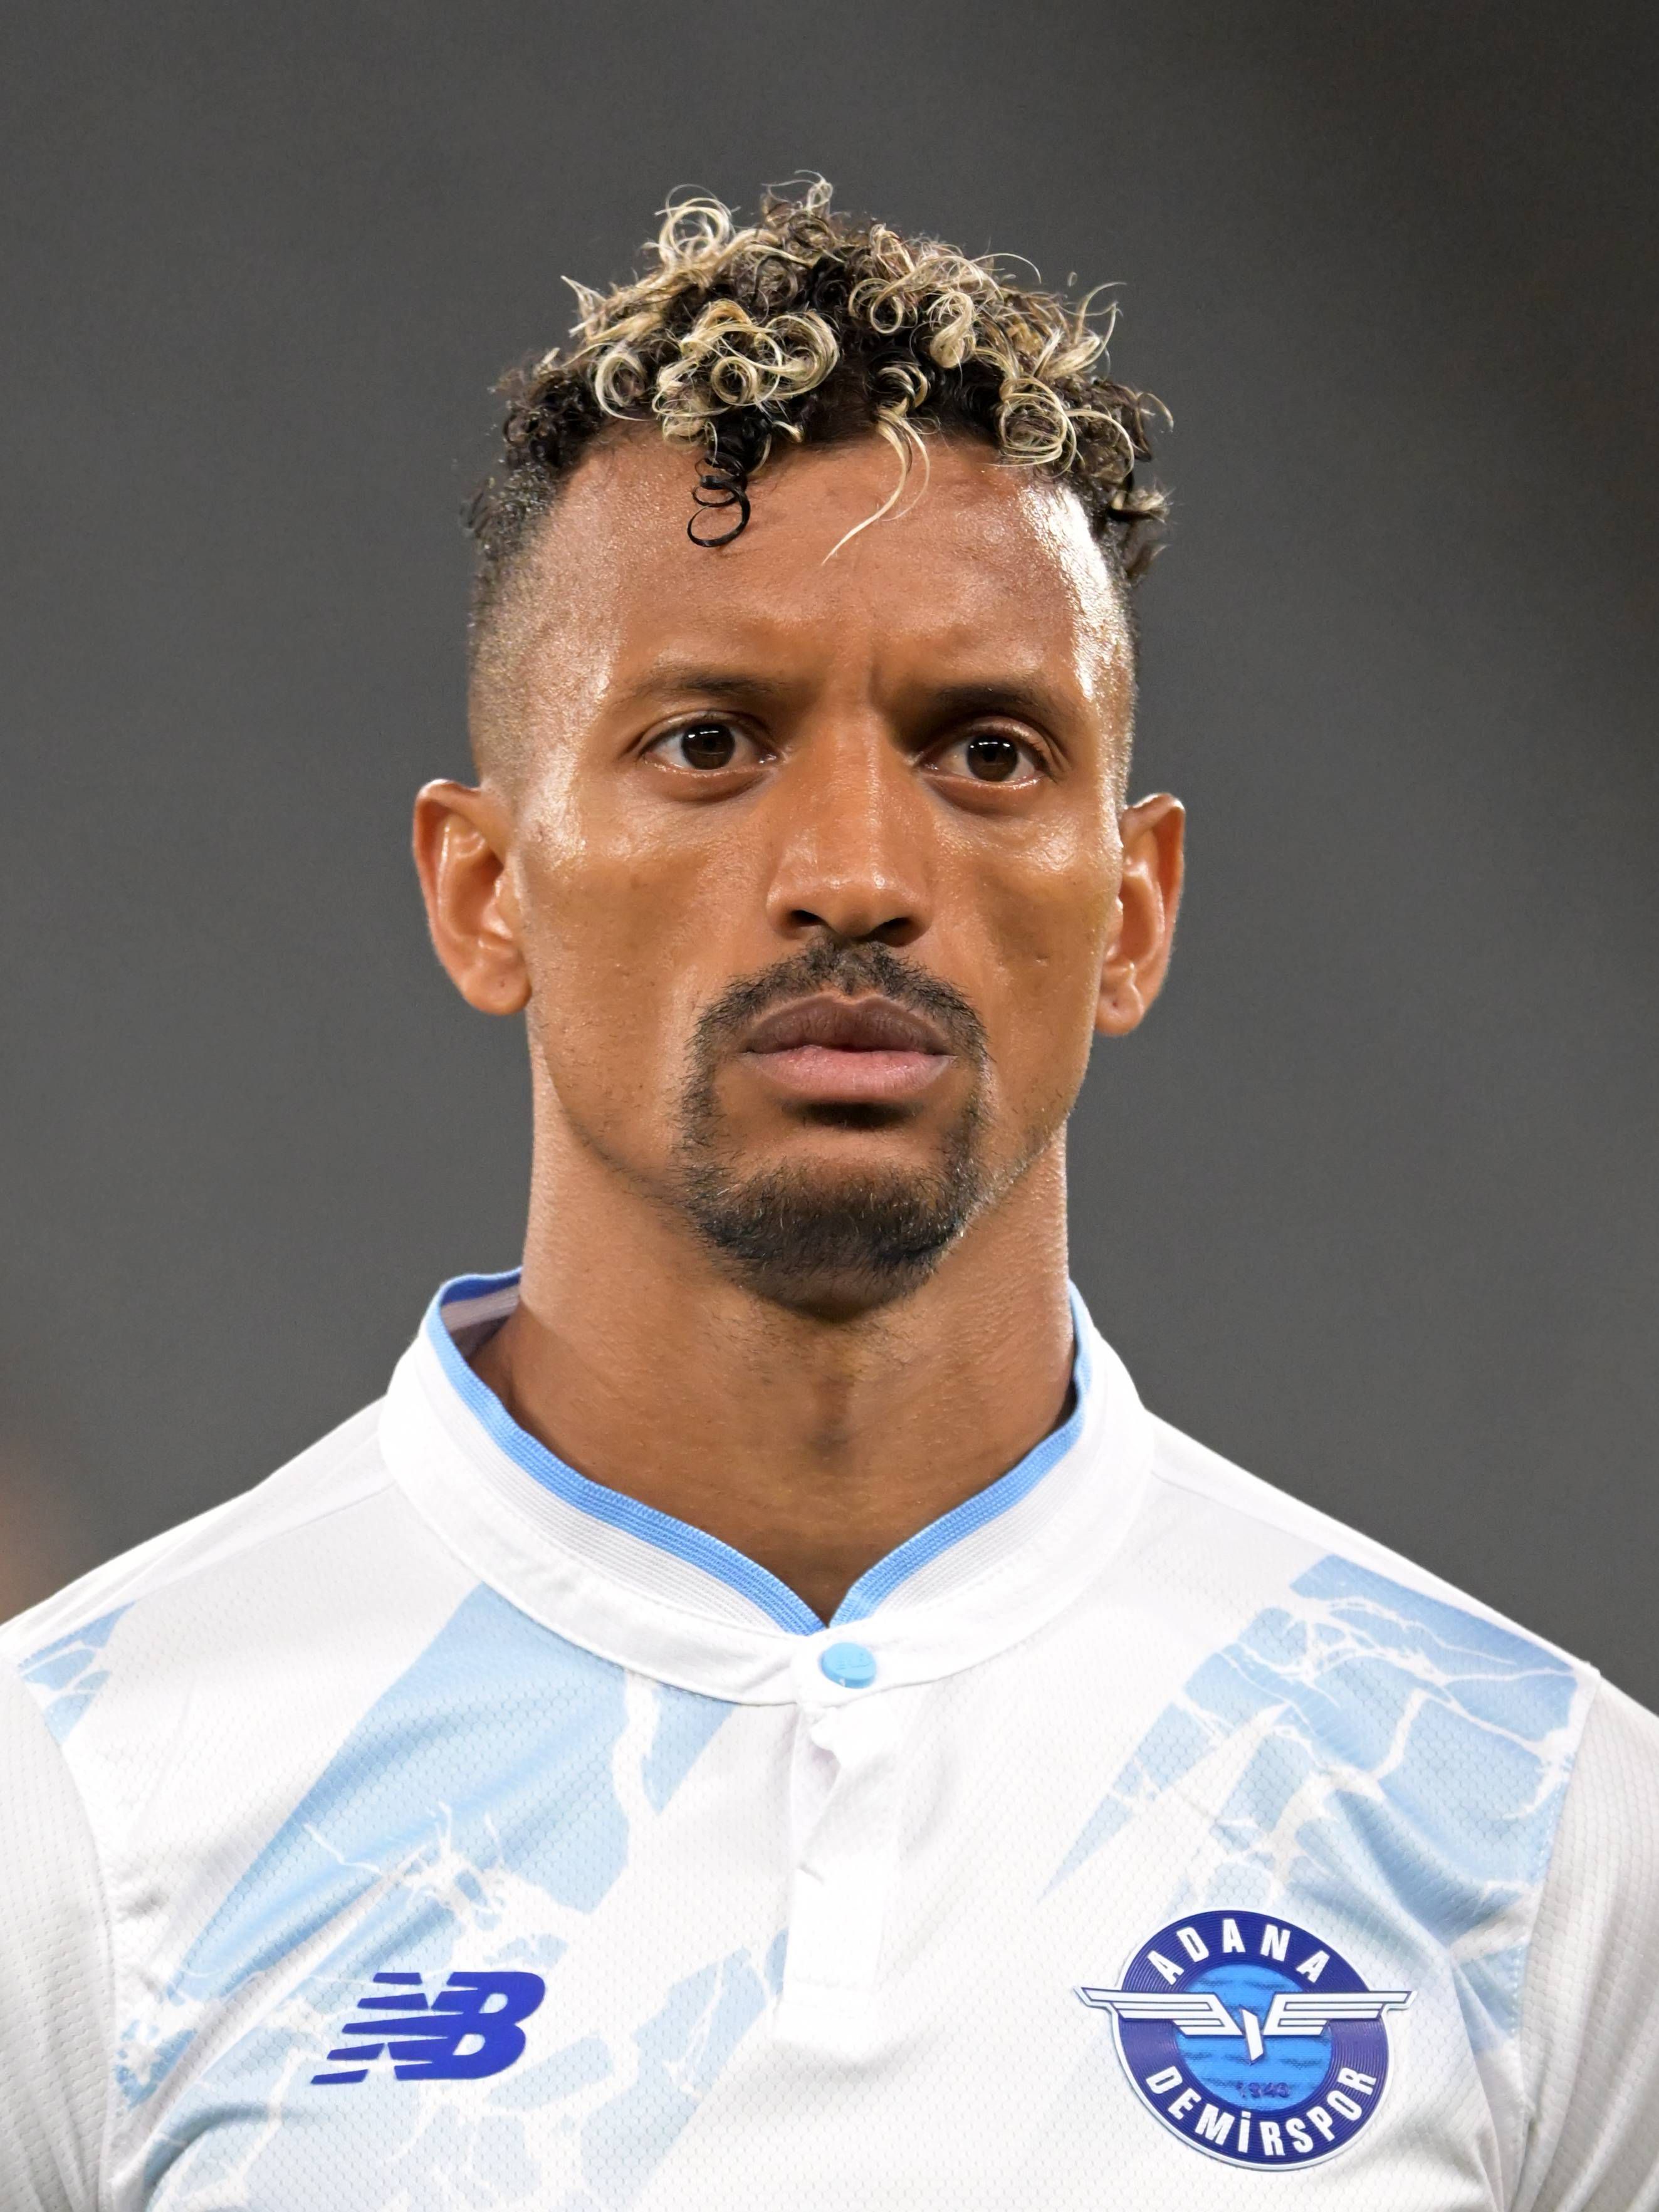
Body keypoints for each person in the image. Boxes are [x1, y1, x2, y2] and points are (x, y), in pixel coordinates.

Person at [2, 180, 1655, 2212]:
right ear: (485, 888)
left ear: (1134, 908)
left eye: (989, 752)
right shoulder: (76, 1807)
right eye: (710, 741)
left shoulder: (1540, 1838)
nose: (859, 871)